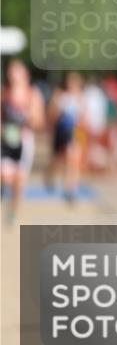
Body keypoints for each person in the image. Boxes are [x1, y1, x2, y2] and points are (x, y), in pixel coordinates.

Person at [1, 59, 45, 223]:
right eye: (11, 71)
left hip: (24, 142)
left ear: (25, 74)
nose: (13, 74)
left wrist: (31, 118)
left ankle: (12, 211)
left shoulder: (33, 94)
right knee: (5, 175)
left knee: (19, 181)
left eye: (16, 71)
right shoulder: (4, 93)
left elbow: (40, 122)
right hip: (6, 141)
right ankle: (3, 189)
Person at [47, 71, 86, 203]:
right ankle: (50, 178)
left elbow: (85, 116)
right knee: (57, 159)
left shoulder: (81, 97)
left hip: (76, 132)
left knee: (73, 160)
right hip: (61, 131)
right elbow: (52, 115)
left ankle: (70, 189)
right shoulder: (60, 96)